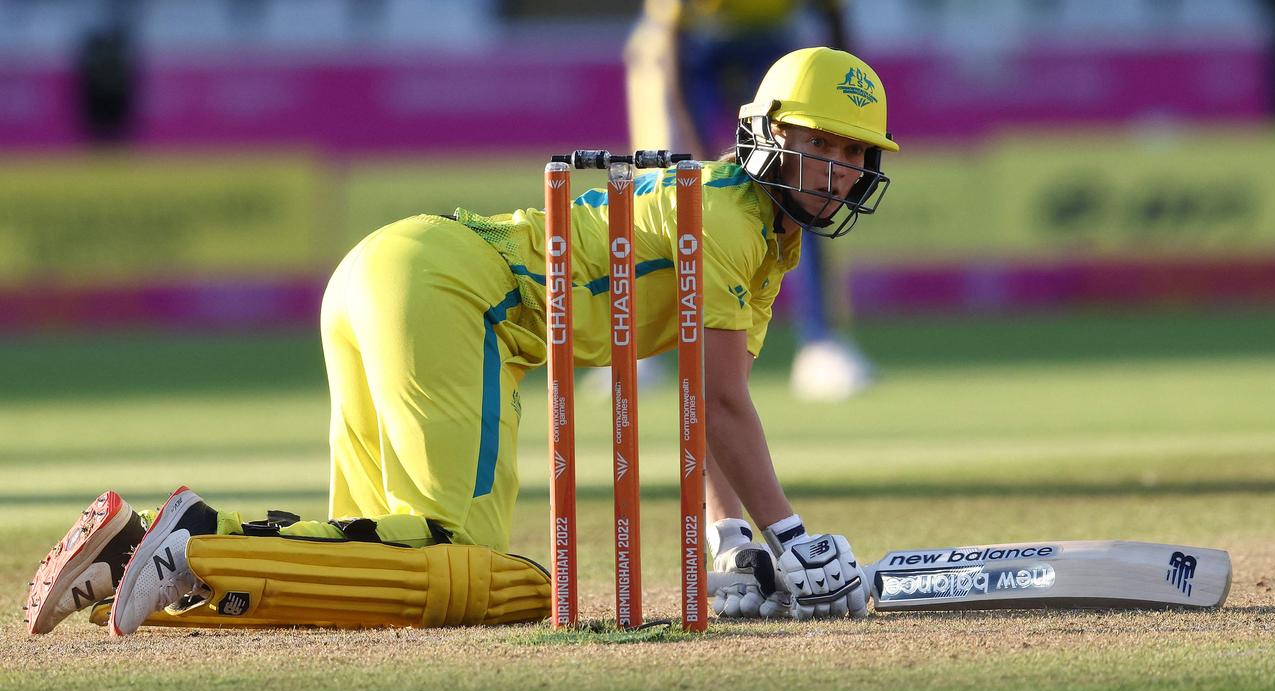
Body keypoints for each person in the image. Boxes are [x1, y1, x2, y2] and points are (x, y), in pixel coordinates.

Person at [24, 46, 898, 635]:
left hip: (392, 270)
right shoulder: (730, 219)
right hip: (453, 293)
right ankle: (197, 538)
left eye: (852, 152)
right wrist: (793, 536)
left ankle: (147, 556)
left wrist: (728, 540)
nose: (835, 168)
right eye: (814, 141)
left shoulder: (767, 244)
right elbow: (716, 399)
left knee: (383, 553)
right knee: (480, 572)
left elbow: (703, 407)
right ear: (762, 135)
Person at [625, 0, 878, 402]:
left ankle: (821, 343)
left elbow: (834, 19)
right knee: (666, 188)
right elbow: (671, 43)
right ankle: (633, 345)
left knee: (808, 182)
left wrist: (848, 120)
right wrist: (698, 156)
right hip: (687, 50)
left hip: (769, 46)